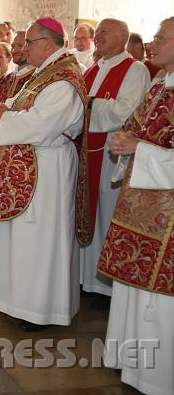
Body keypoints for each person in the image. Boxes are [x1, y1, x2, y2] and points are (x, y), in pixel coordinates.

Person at [0, 17, 89, 331]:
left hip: (48, 168)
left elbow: (43, 125)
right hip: (29, 164)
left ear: (46, 43)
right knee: (22, 238)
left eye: (28, 43)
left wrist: (5, 115)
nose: (22, 49)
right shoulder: (44, 74)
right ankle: (16, 300)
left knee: (39, 239)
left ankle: (40, 310)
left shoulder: (64, 79)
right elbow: (20, 104)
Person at [95, 16, 174, 395]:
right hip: (141, 203)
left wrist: (138, 148)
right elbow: (141, 126)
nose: (153, 43)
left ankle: (156, 374)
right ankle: (131, 361)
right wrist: (131, 139)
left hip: (167, 215)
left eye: (161, 37)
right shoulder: (161, 83)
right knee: (133, 283)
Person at [80, 19, 149, 301]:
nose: (97, 37)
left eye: (103, 32)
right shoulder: (93, 68)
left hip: (112, 154)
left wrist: (90, 103)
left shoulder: (135, 69)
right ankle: (85, 279)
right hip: (86, 152)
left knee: (106, 214)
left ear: (123, 36)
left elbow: (126, 111)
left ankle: (104, 289)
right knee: (86, 213)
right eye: (96, 33)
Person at [0, 31, 35, 144]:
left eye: (20, 46)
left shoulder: (35, 78)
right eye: (13, 46)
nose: (15, 50)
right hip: (0, 142)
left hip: (24, 145)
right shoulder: (6, 78)